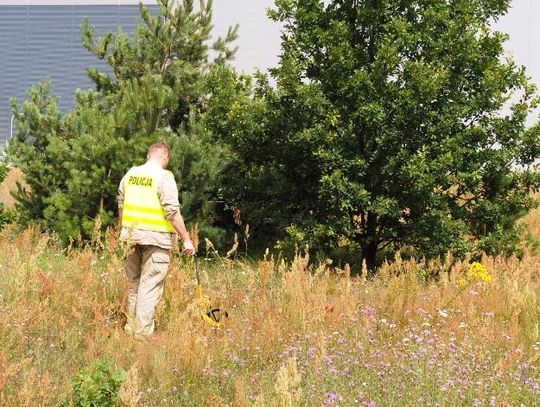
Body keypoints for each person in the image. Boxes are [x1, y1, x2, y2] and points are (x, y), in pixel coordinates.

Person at [118, 142, 195, 338]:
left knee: (134, 283)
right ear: (165, 157)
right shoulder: (164, 177)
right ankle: (142, 335)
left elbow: (121, 204)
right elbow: (172, 211)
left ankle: (130, 328)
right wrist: (186, 239)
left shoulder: (131, 174)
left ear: (148, 155)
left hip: (131, 237)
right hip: (156, 239)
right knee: (149, 286)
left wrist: (124, 231)